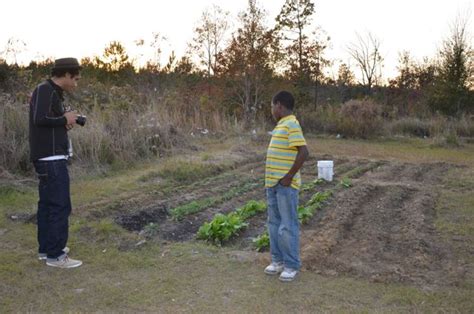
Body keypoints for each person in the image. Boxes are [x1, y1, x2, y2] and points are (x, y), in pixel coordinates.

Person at [29, 58, 83, 268]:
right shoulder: (45, 90)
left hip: (49, 156)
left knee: (47, 204)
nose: (76, 84)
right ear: (67, 75)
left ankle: (47, 249)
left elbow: (45, 122)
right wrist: (64, 119)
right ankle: (56, 256)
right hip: (50, 159)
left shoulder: (51, 91)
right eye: (75, 79)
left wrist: (64, 123)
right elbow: (39, 119)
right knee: (60, 205)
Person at [264, 90, 309, 282]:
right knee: (274, 223)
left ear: (279, 105)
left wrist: (288, 177)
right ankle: (277, 261)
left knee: (287, 225)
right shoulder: (281, 124)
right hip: (272, 184)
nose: (272, 110)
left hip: (284, 185)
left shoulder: (291, 123)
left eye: (273, 106)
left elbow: (304, 152)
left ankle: (291, 265)